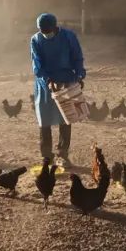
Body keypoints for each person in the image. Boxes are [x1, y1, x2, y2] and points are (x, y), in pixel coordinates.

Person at [31, 13, 86, 165]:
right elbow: (37, 64)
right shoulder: (36, 39)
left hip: (66, 80)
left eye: (47, 30)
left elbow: (77, 57)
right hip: (45, 84)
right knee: (44, 119)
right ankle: (47, 155)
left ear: (55, 27)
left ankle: (63, 152)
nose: (45, 33)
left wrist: (79, 75)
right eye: (42, 30)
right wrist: (48, 81)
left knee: (65, 117)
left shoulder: (68, 37)